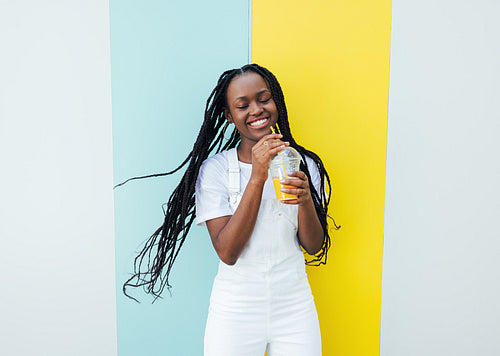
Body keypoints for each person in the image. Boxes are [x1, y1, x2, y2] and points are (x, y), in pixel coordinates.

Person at [121, 64, 338, 355]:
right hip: (236, 312)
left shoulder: (302, 164)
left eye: (264, 99)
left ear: (276, 101)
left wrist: (305, 200)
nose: (257, 110)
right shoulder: (215, 171)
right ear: (229, 115)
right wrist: (258, 175)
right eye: (242, 105)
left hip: (295, 307)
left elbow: (313, 245)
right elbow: (227, 252)